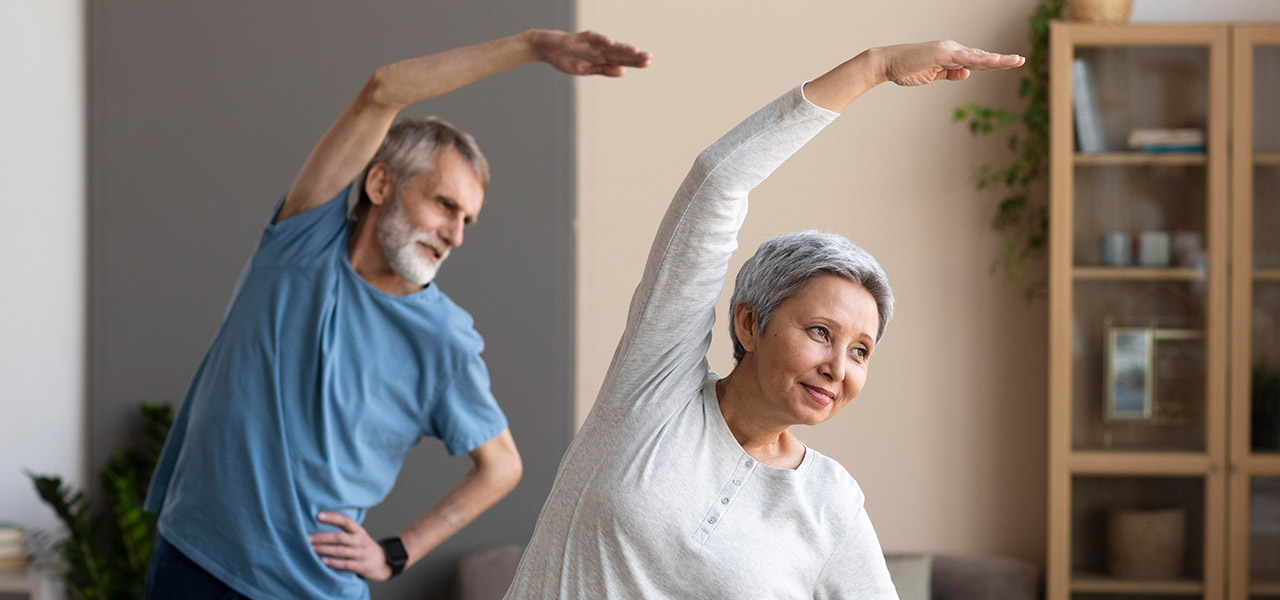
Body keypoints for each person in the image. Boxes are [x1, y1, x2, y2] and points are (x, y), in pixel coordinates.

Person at [503, 40, 1023, 599]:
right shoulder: (653, 393)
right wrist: (874, 67)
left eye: (860, 350)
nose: (837, 367)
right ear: (750, 324)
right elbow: (717, 182)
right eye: (821, 332)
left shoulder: (831, 505)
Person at [142, 29, 650, 600]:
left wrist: (397, 551)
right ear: (380, 182)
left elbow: (502, 466)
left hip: (311, 590)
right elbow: (383, 90)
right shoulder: (301, 245)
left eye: (468, 221)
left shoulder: (445, 339)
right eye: (444, 204)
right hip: (192, 561)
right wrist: (532, 48)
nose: (455, 235)